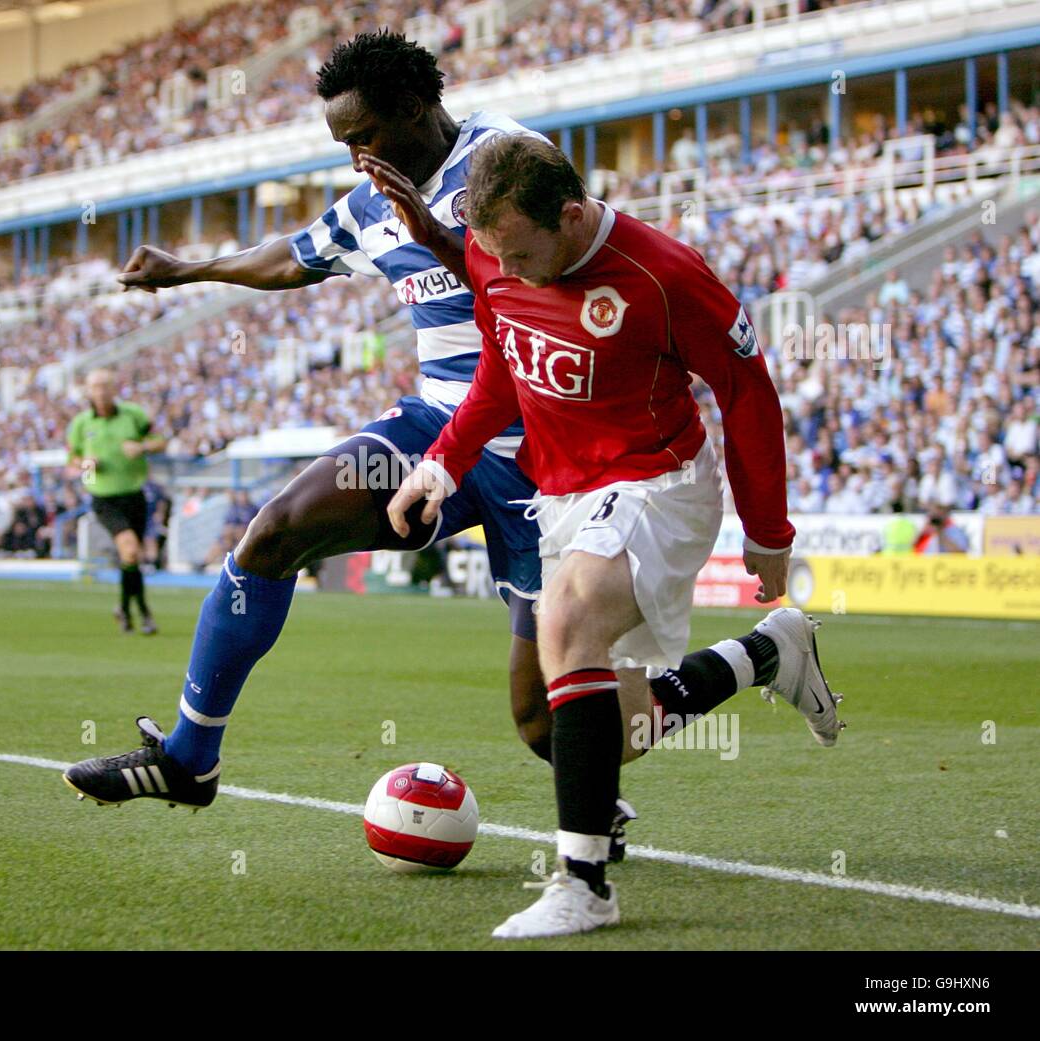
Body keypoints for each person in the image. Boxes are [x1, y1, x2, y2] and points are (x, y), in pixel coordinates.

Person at [62, 33, 838, 838]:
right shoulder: (370, 199)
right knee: (275, 529)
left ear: (414, 108)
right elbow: (293, 257)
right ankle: (191, 759)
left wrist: (438, 236)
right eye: (341, 143)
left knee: (549, 727)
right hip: (443, 428)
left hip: (551, 457)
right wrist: (189, 270)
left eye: (363, 135)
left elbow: (545, 281)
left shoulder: (505, 159)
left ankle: (759, 655)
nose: (354, 156)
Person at [387, 135, 843, 939]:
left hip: (656, 481)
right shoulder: (496, 251)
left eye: (525, 252)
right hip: (564, 496)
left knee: (566, 619)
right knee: (601, 728)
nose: (510, 270)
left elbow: (746, 392)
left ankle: (584, 884)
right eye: (496, 254)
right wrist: (444, 461)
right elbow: (504, 362)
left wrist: (769, 529)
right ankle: (770, 652)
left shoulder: (664, 273)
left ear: (570, 215)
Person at [66, 369, 167, 635]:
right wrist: (86, 465)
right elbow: (72, 459)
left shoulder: (133, 415)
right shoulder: (82, 423)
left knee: (131, 556)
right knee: (131, 549)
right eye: (95, 386)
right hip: (103, 497)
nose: (100, 391)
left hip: (134, 494)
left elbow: (160, 441)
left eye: (105, 386)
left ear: (114, 389)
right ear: (88, 391)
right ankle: (143, 612)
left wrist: (142, 447)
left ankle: (124, 609)